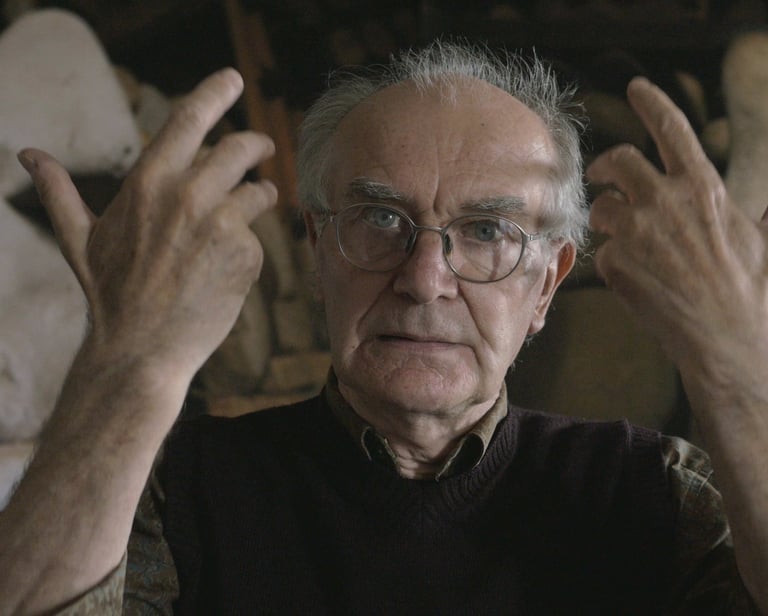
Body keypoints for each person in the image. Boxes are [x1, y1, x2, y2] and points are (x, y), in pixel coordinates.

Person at [0, 41, 765, 614]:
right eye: (380, 218)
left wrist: (736, 369)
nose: (425, 278)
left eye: (487, 232)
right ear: (318, 250)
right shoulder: (177, 487)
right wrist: (131, 358)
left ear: (545, 285)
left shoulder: (656, 490)